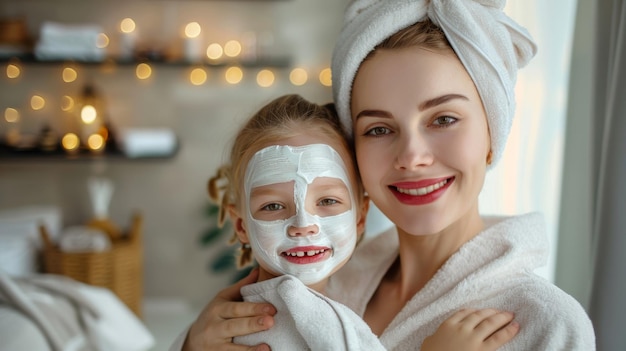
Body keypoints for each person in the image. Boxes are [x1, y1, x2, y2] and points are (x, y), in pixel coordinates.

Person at [175, 0, 597, 350]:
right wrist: (192, 345)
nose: (412, 156)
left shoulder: (547, 324)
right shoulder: (313, 282)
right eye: (378, 129)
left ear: (493, 132)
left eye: (444, 118)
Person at [171, 94, 520, 351]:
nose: (303, 224)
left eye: (327, 201)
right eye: (274, 205)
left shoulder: (310, 308)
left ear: (360, 217)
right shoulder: (288, 317)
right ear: (242, 225)